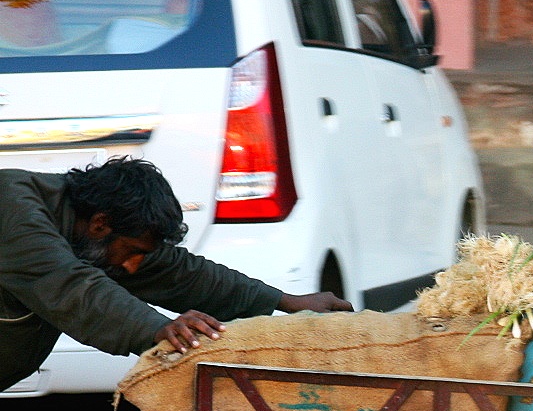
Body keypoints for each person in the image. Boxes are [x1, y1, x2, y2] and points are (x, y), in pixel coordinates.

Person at [0, 157, 351, 392]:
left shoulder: (91, 230)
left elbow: (178, 271)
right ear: (100, 223)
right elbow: (70, 286)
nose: (134, 267)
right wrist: (156, 329)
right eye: (134, 251)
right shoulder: (15, 208)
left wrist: (286, 301)